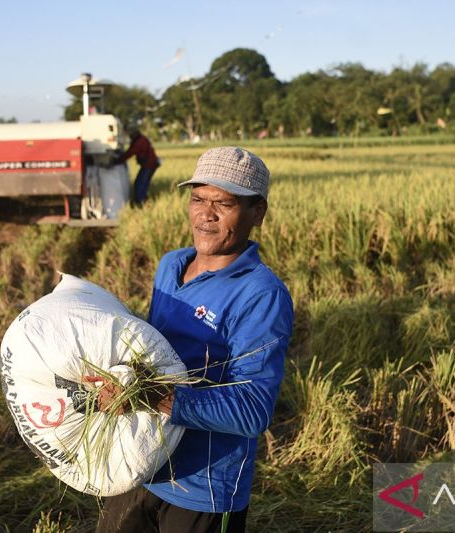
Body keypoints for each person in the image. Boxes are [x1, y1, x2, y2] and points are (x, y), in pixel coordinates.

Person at [97, 147, 294, 533]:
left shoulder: (261, 295)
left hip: (202, 487)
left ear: (257, 213)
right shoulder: (171, 265)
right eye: (198, 199)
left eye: (224, 203)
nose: (207, 213)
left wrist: (150, 397)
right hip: (139, 462)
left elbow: (253, 411)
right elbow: (153, 355)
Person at [115, 127, 160, 206]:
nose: (130, 137)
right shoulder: (141, 139)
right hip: (149, 164)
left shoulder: (139, 142)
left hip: (149, 165)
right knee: (140, 183)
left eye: (131, 135)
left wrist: (117, 161)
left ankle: (142, 203)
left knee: (140, 184)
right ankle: (141, 201)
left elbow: (130, 153)